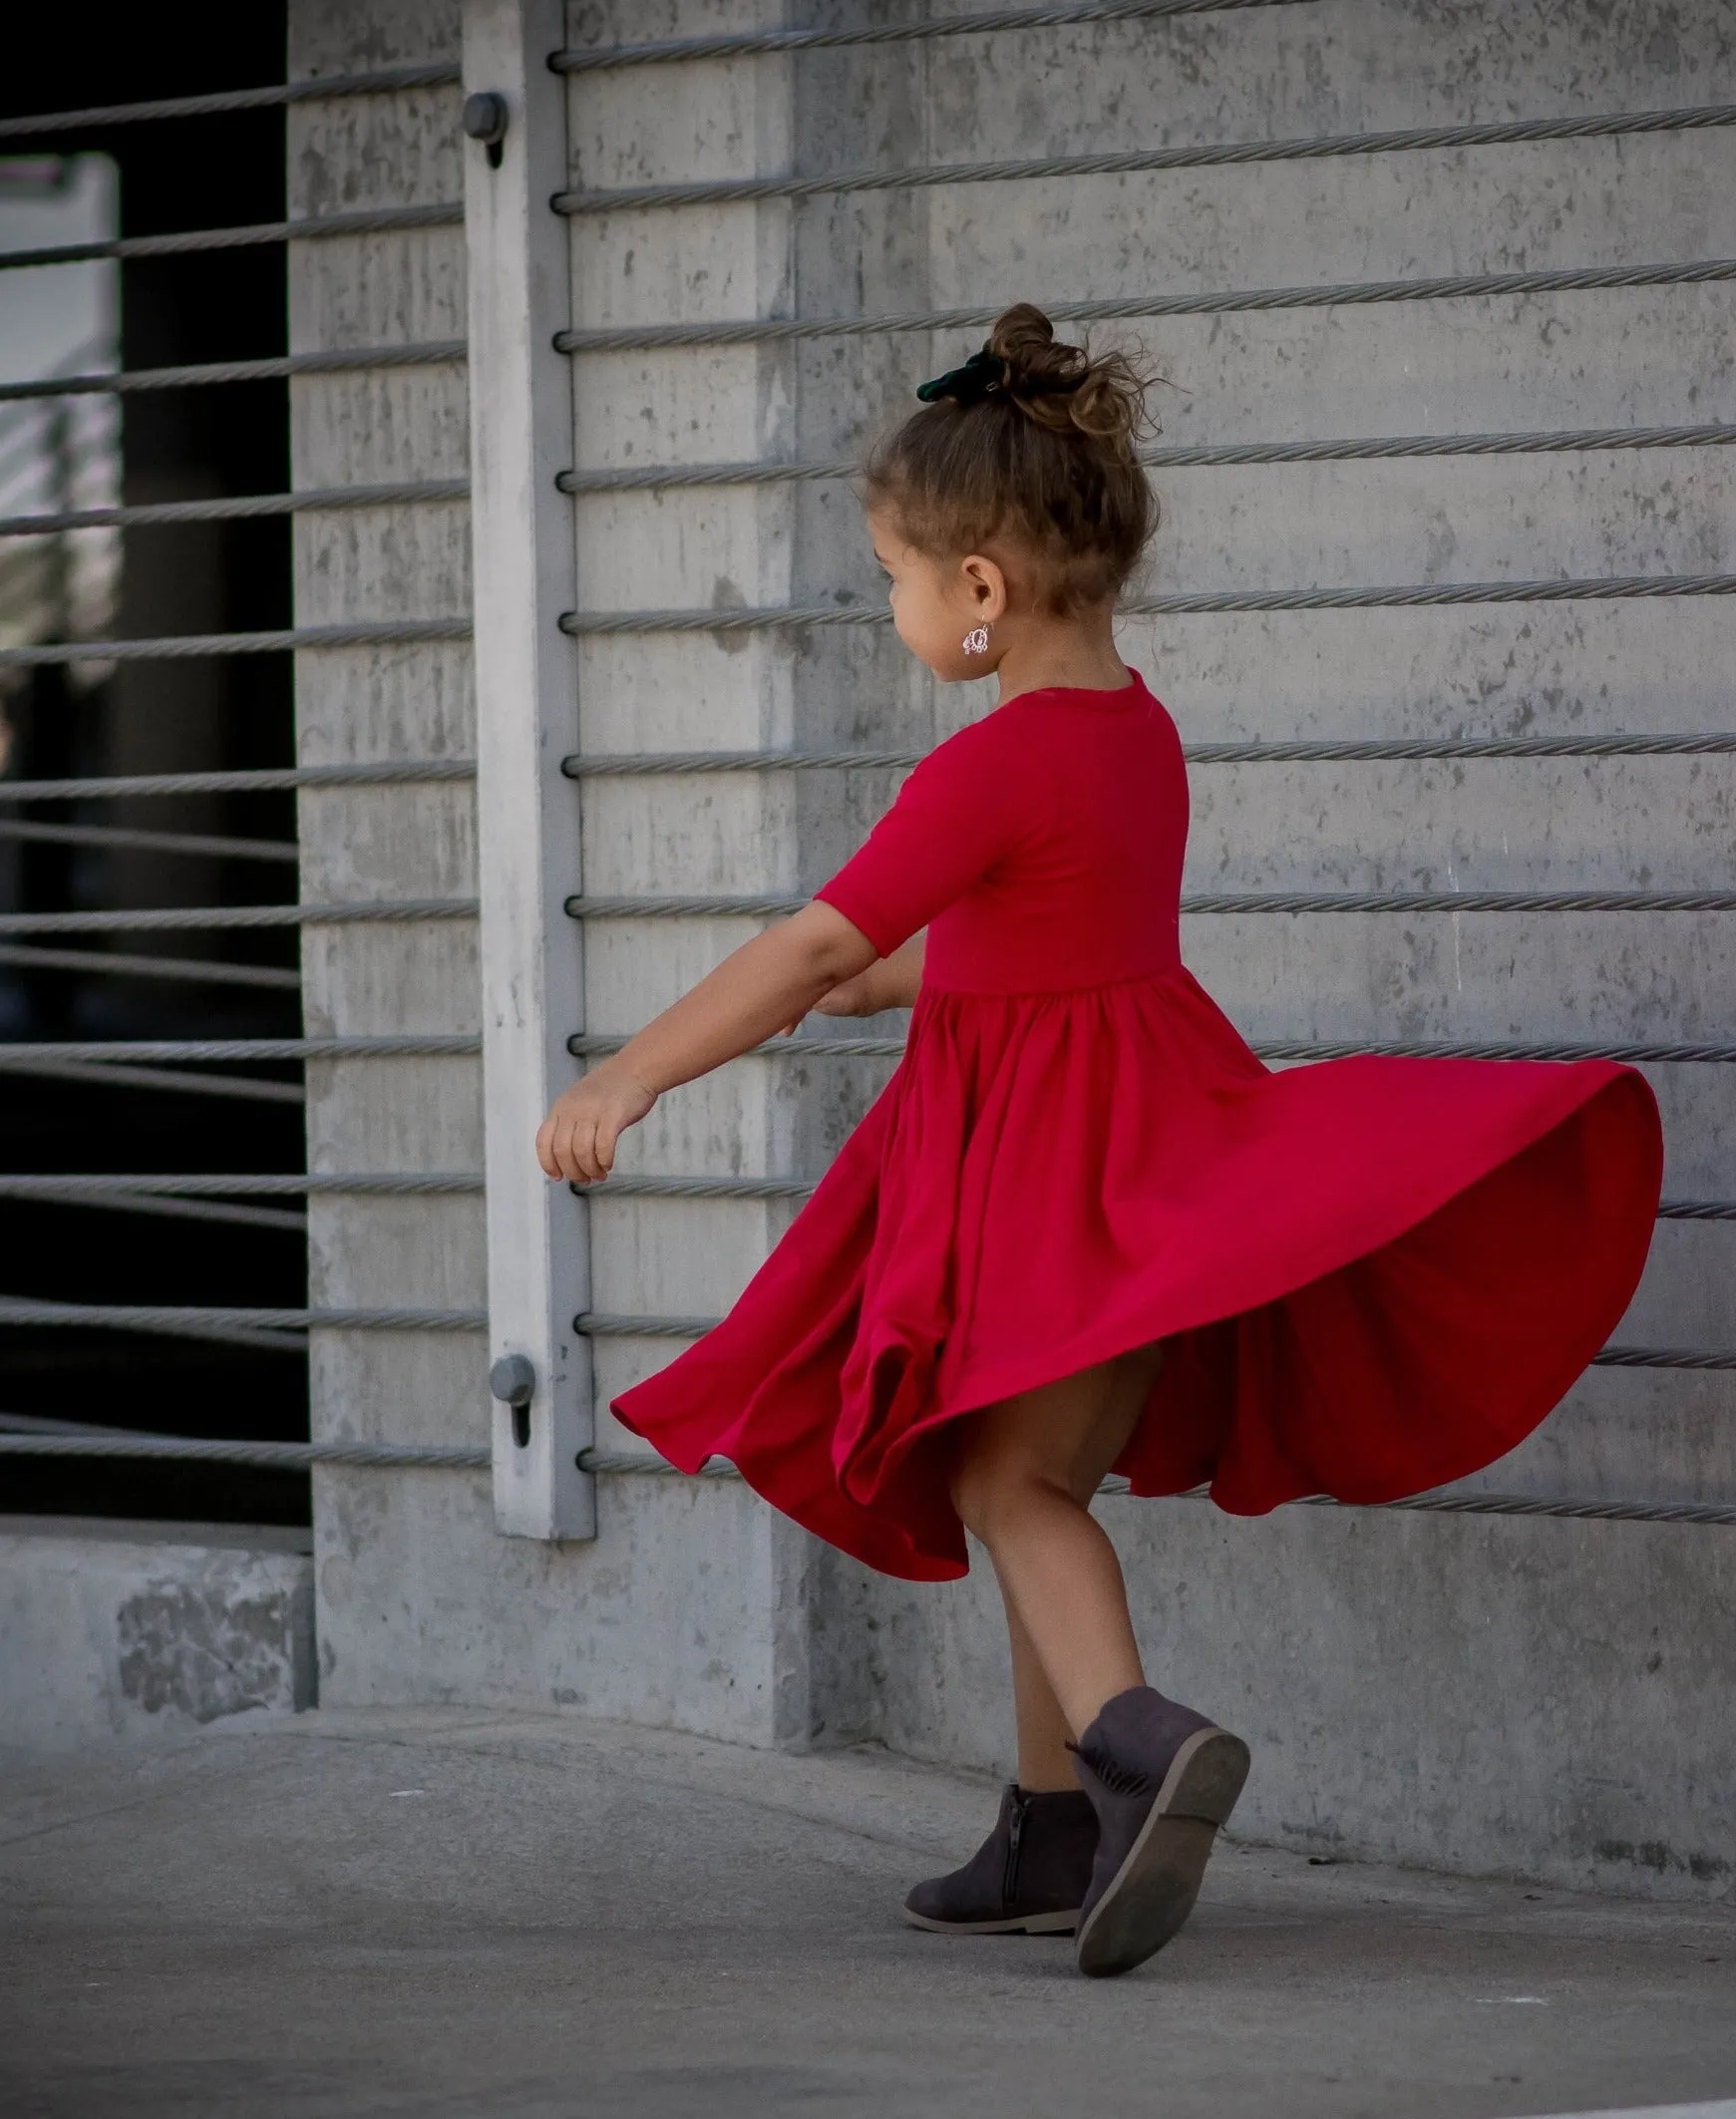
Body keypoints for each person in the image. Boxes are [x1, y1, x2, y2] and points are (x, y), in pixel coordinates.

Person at [536, 303, 1663, 1978]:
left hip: (1058, 1183)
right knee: (1025, 1469)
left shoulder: (989, 769)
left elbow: (812, 946)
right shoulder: (1135, 732)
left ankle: (1138, 1741)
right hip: (1154, 1162)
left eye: (894, 581)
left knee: (1007, 1480)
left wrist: (629, 1078)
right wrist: (916, 974)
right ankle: (1046, 1827)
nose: (893, 608)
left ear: (977, 594)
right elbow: (1065, 930)